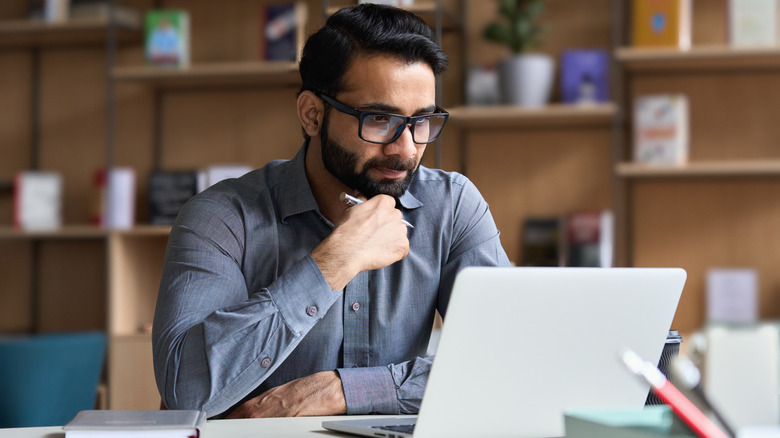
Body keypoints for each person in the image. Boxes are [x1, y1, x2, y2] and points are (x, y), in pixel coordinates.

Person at [152, 3, 510, 419]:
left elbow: (510, 360)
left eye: (422, 121)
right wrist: (333, 262)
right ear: (312, 114)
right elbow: (186, 392)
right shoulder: (221, 218)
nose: (407, 148)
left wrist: (339, 391)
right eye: (379, 119)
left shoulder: (452, 207)